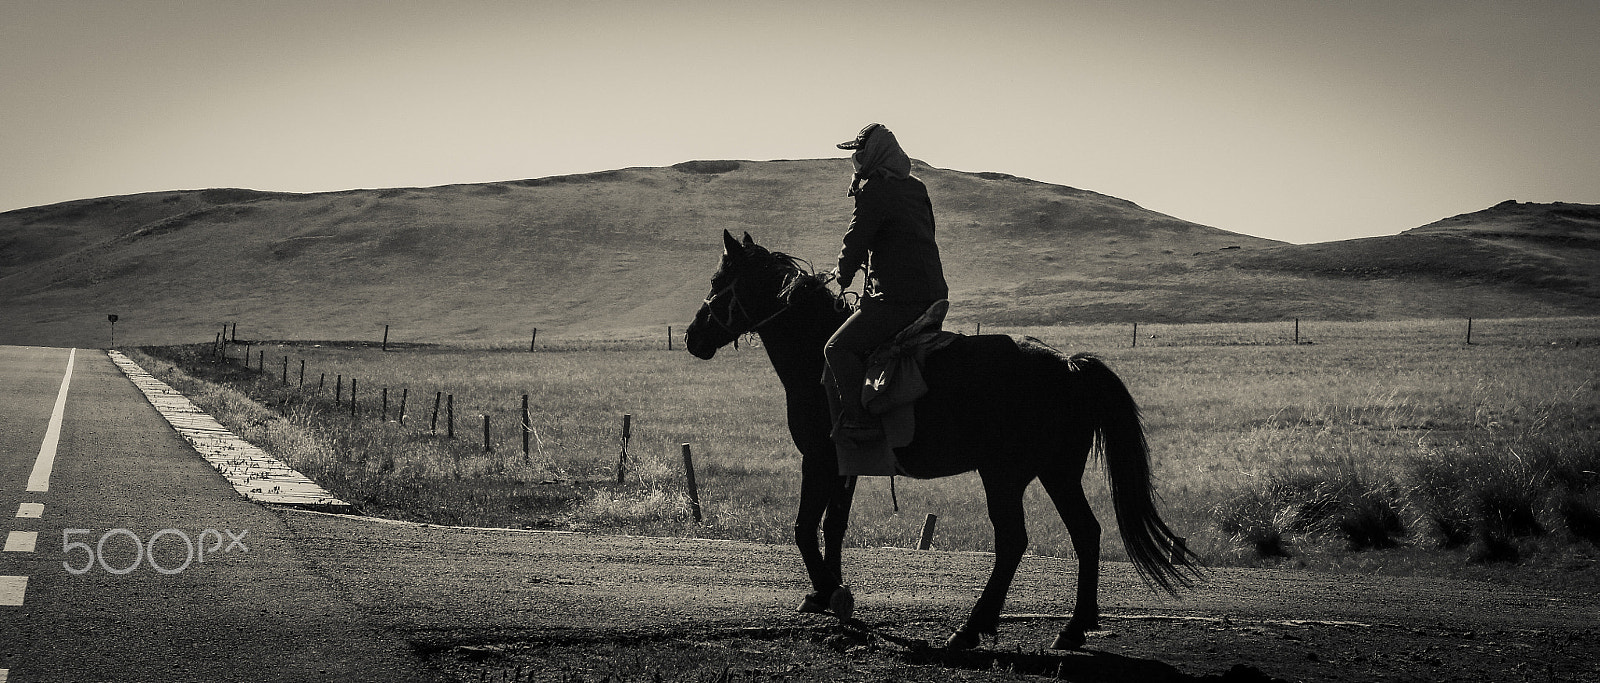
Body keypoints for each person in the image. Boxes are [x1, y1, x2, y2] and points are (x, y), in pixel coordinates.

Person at [824, 123, 949, 439]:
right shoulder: (916, 187)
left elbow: (855, 240)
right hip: (934, 296)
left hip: (896, 300)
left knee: (836, 348)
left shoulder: (875, 190)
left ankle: (860, 423)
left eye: (859, 152)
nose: (856, 158)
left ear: (873, 154)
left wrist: (842, 275)